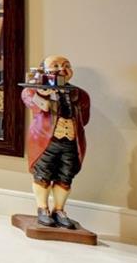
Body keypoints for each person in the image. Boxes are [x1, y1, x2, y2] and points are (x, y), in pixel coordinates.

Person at [22, 55, 91, 229]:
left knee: (65, 176)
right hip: (46, 141)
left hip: (71, 141)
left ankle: (59, 210)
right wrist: (43, 92)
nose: (61, 69)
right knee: (43, 173)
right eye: (55, 66)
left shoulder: (79, 94)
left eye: (66, 65)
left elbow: (85, 118)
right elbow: (40, 106)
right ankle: (42, 208)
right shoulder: (32, 90)